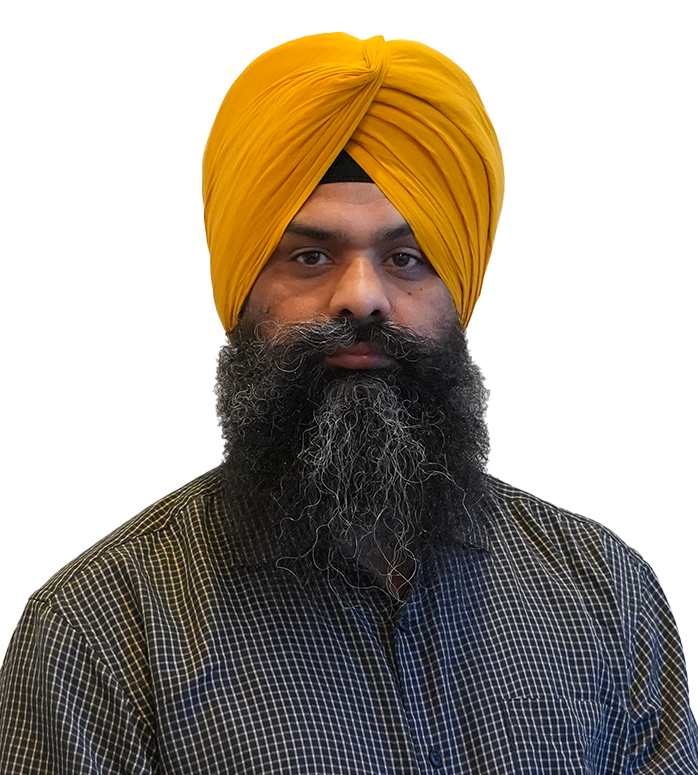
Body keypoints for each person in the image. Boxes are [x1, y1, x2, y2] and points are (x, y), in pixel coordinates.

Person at [1, 32, 696, 774]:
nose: (362, 298)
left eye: (407, 259)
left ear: (457, 291)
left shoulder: (605, 595)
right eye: (310, 257)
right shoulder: (102, 635)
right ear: (242, 292)